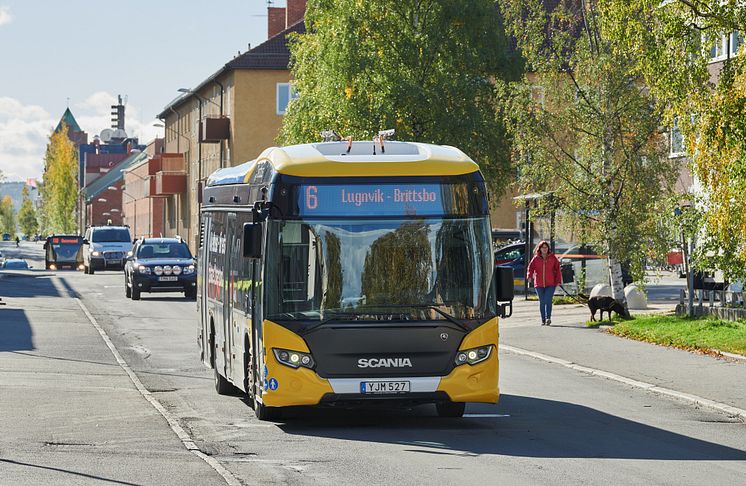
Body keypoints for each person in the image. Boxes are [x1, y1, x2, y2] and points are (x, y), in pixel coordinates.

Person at [526, 240, 562, 326]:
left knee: (548, 300)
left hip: (551, 283)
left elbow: (557, 270)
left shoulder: (553, 258)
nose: (545, 249)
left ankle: (548, 318)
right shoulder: (536, 258)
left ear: (548, 248)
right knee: (542, 301)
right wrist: (529, 276)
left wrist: (558, 281)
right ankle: (543, 319)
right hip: (539, 284)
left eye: (546, 247)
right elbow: (530, 268)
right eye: (543, 247)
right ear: (540, 249)